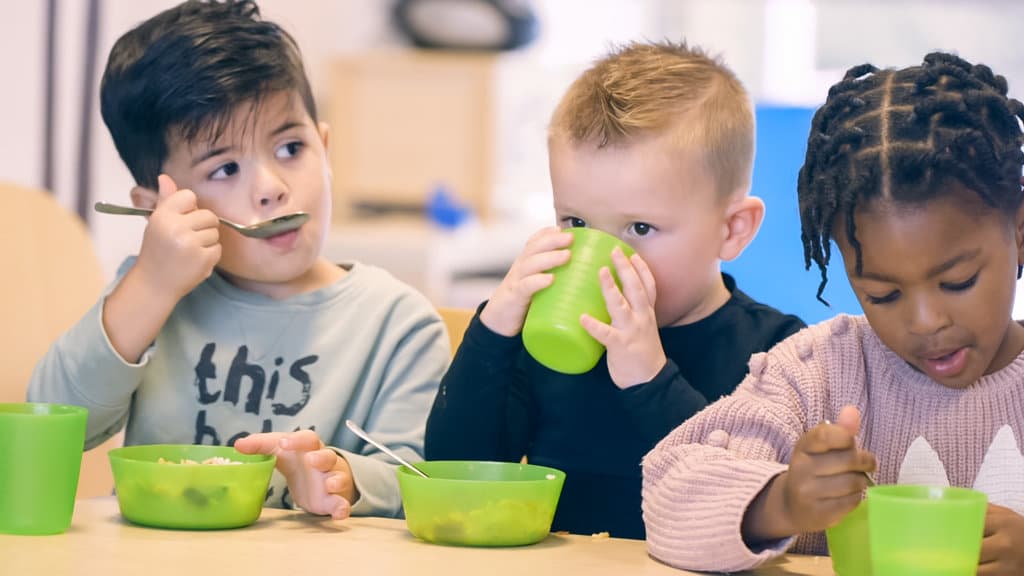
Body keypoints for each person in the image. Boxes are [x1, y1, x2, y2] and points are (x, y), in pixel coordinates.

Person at [27, 0, 449, 520]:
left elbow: (419, 479)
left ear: (325, 148)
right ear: (159, 208)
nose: (272, 188)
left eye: (291, 148)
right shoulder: (152, 297)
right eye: (225, 168)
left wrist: (340, 475)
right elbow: (54, 422)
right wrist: (151, 285)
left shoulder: (398, 325)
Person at [642, 51, 1024, 575]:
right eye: (883, 294)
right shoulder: (817, 375)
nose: (926, 321)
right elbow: (667, 494)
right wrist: (780, 501)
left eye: (957, 282)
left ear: (1019, 231)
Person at [425, 41, 805, 539]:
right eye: (576, 222)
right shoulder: (539, 342)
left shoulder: (778, 355)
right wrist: (493, 333)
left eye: (640, 228)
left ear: (732, 229)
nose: (602, 256)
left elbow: (746, 504)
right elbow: (454, 471)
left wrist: (650, 379)